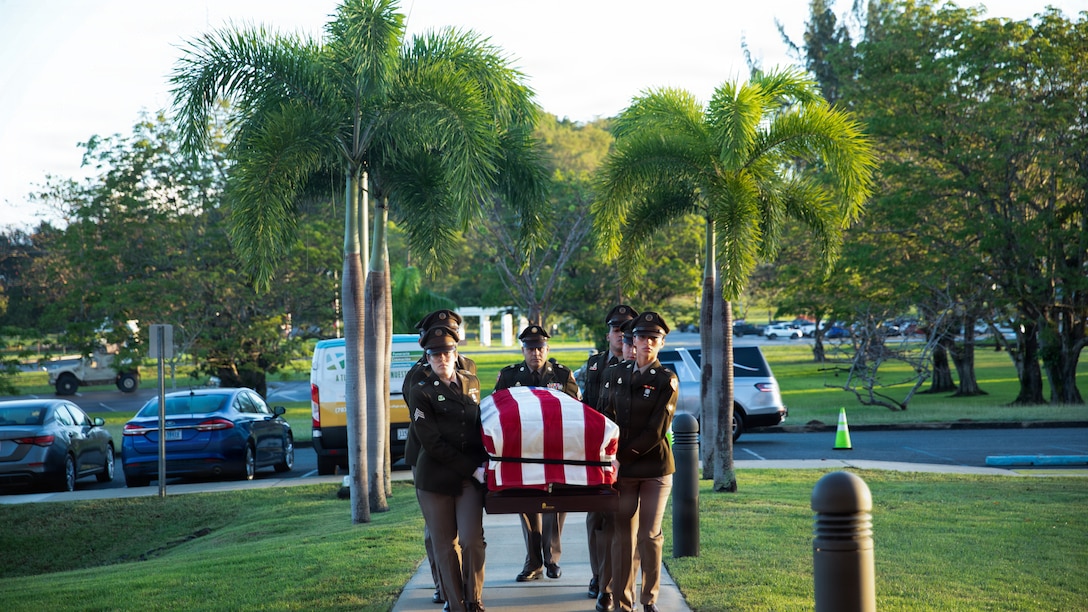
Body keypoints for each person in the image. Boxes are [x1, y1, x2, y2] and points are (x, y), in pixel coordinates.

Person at [598, 312, 678, 612]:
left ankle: (649, 599)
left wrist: (621, 458)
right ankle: (621, 603)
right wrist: (609, 457)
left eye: (653, 339)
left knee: (648, 535)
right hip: (622, 468)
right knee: (622, 536)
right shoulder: (617, 373)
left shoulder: (666, 379)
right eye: (641, 337)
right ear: (634, 340)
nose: (646, 343)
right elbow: (608, 418)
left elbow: (656, 430)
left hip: (654, 468)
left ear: (661, 343)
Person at [410, 326, 489, 612]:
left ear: (456, 354)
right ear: (427, 359)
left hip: (469, 478)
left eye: (447, 353)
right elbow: (431, 443)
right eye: (435, 355)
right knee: (445, 546)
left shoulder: (472, 382)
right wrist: (473, 469)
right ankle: (456, 605)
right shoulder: (422, 392)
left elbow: (480, 426)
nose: (442, 359)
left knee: (472, 541)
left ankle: (473, 599)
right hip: (435, 479)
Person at [494, 324, 580, 582]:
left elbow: (576, 410)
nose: (536, 353)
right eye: (530, 348)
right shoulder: (510, 376)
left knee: (556, 505)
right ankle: (533, 562)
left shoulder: (563, 375)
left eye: (540, 348)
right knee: (528, 505)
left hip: (556, 451)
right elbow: (498, 410)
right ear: (523, 350)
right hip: (524, 453)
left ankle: (552, 559)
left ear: (547, 349)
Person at [580, 304, 638, 600]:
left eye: (627, 331)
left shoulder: (640, 367)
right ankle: (598, 576)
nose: (621, 335)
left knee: (622, 524)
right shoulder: (593, 365)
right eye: (617, 330)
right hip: (597, 454)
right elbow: (584, 407)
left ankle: (613, 582)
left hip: (629, 455)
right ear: (609, 334)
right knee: (596, 520)